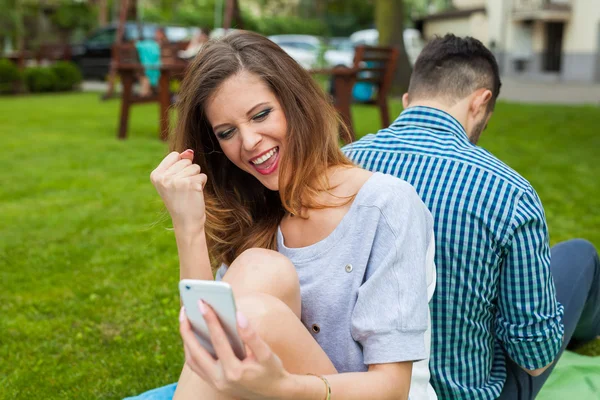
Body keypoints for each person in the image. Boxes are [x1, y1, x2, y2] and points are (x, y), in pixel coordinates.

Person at [128, 30, 438, 399]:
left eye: (261, 114)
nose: (249, 142)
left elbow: (392, 388)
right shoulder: (257, 212)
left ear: (296, 102)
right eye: (227, 133)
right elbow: (208, 356)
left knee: (254, 314)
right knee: (261, 268)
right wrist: (189, 226)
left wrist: (283, 387)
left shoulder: (386, 204)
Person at [342, 34, 600, 399]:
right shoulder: (508, 192)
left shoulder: (338, 164)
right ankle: (588, 332)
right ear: (482, 101)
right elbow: (535, 358)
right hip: (465, 392)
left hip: (355, 388)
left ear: (407, 102)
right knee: (580, 256)